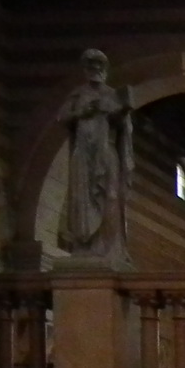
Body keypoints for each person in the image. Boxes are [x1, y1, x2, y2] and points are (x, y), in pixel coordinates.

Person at [56, 49, 132, 264]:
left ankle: (108, 247)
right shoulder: (78, 94)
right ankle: (85, 245)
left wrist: (121, 111)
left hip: (105, 151)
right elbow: (62, 117)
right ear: (85, 69)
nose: (95, 69)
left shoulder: (111, 94)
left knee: (110, 196)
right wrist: (82, 112)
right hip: (83, 153)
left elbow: (122, 126)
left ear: (105, 69)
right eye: (90, 65)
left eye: (99, 65)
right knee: (82, 197)